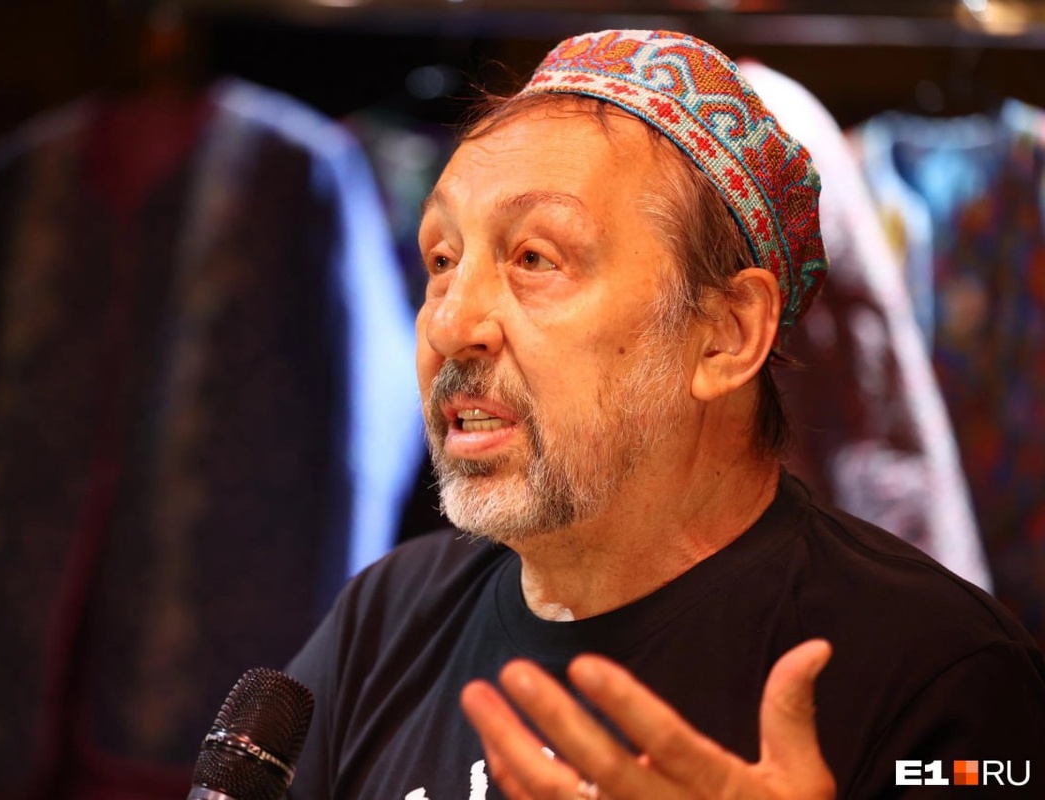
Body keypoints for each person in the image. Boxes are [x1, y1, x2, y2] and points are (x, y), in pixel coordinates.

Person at [285, 29, 1045, 799]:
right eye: (443, 261)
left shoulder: (940, 672)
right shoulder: (387, 616)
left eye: (535, 258)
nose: (450, 324)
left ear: (725, 335)